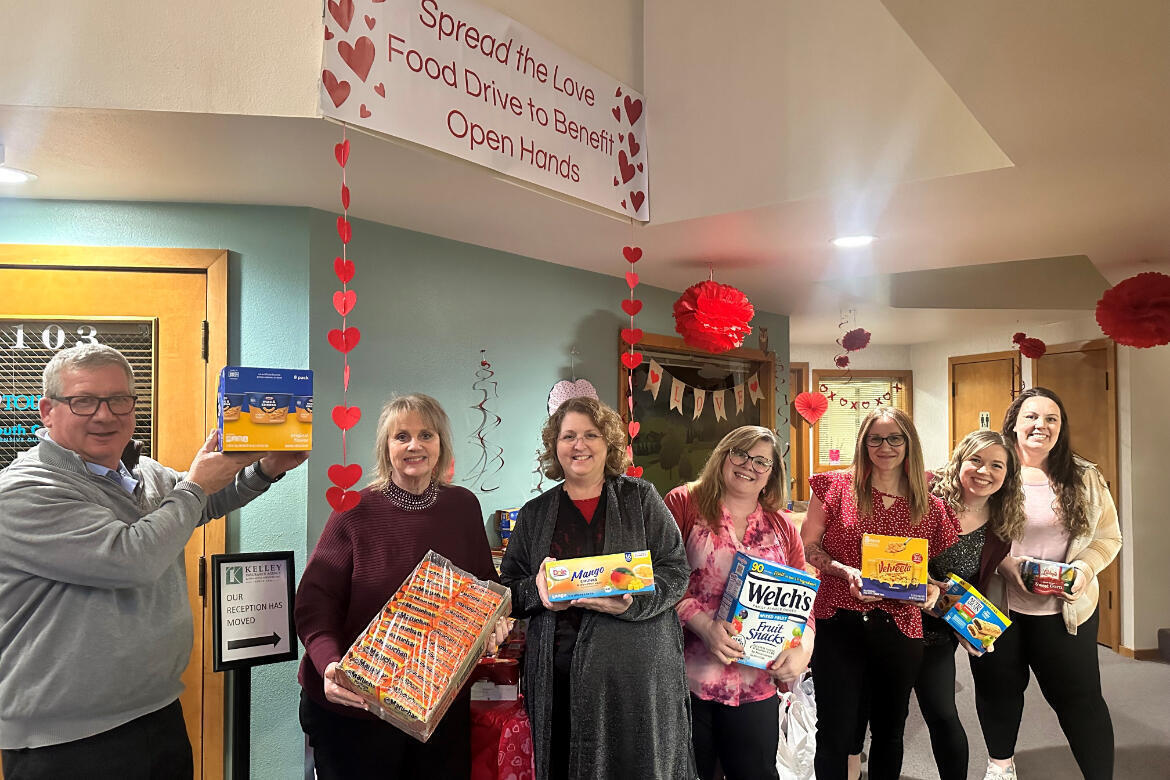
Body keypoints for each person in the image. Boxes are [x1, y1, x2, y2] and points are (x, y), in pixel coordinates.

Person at [0, 343, 307, 779]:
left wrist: (265, 469)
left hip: (156, 712)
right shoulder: (25, 491)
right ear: (48, 411)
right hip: (65, 740)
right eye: (84, 401)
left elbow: (200, 506)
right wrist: (195, 486)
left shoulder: (143, 472)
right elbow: (131, 559)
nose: (104, 415)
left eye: (118, 400)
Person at [296, 393, 507, 779]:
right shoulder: (354, 510)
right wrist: (329, 665)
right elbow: (315, 603)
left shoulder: (463, 506)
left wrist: (494, 624)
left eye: (426, 435)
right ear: (386, 447)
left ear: (440, 444)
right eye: (402, 436)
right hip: (356, 709)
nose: (414, 446)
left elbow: (485, 590)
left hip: (435, 708)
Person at [500, 397, 695, 780]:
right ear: (555, 446)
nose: (580, 445)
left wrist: (632, 604)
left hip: (637, 683)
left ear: (609, 443)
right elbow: (509, 592)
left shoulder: (641, 499)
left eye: (591, 435)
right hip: (560, 683)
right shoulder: (535, 514)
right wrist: (537, 592)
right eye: (568, 436)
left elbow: (675, 571)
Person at [969, 388, 1121, 780]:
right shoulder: (991, 469)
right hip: (996, 608)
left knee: (1081, 701)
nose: (1042, 425)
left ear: (1061, 426)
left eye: (1051, 418)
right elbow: (961, 528)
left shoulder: (1085, 476)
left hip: (1065, 612)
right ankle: (1001, 767)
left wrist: (1084, 570)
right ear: (1014, 424)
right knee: (997, 693)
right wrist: (1004, 565)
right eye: (1031, 417)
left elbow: (1108, 538)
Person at [799, 406, 958, 780]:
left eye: (894, 438)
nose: (885, 447)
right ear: (863, 443)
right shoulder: (836, 488)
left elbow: (929, 571)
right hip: (838, 620)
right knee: (835, 730)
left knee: (890, 730)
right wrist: (844, 571)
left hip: (899, 627)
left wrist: (930, 589)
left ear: (909, 443)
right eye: (875, 439)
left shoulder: (931, 506)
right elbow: (809, 546)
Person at [664, 426, 814, 780]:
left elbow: (803, 601)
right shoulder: (684, 503)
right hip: (685, 680)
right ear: (723, 455)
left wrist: (804, 649)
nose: (749, 465)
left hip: (756, 683)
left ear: (771, 474)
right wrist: (704, 625)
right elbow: (661, 578)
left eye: (761, 461)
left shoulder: (782, 526)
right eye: (741, 454)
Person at [912, 429, 1026, 780]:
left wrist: (968, 627)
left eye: (996, 465)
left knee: (942, 712)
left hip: (937, 627)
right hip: (892, 615)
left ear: (1008, 475)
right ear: (959, 461)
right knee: (883, 714)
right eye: (975, 460)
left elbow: (971, 583)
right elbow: (892, 553)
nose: (984, 471)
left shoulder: (1002, 522)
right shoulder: (926, 494)